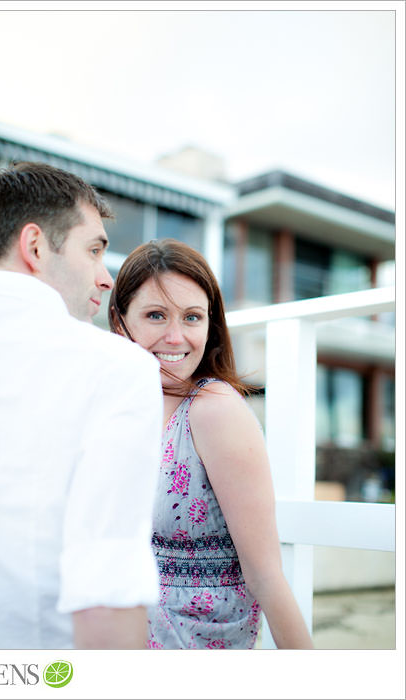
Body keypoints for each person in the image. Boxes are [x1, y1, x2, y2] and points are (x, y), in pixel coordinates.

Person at [0, 161, 163, 649]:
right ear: (34, 246)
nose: (105, 278)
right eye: (94, 250)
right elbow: (106, 588)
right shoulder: (117, 368)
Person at [108, 238, 313, 649]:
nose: (175, 337)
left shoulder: (213, 409)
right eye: (155, 315)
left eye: (192, 317)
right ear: (120, 322)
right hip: (118, 631)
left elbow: (265, 573)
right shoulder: (117, 407)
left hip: (192, 643)